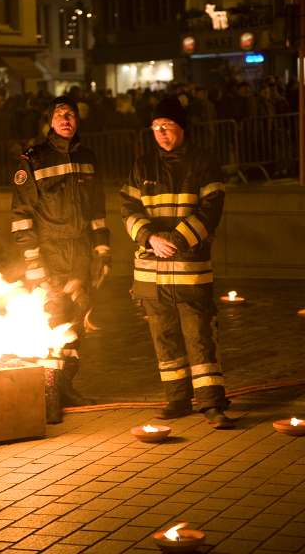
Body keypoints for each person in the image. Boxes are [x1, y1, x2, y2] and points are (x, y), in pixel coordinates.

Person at [120, 96, 233, 429]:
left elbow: (211, 209)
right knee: (164, 337)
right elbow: (128, 209)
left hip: (189, 271)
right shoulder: (141, 166)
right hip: (151, 274)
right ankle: (177, 399)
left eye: (167, 126)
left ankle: (212, 403)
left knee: (199, 335)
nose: (161, 133)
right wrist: (150, 238)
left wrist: (177, 240)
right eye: (155, 128)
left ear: (181, 128)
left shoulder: (203, 163)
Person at [11, 95, 111, 409]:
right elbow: (21, 216)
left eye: (71, 114)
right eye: (59, 115)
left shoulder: (88, 157)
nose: (66, 119)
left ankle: (66, 386)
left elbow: (97, 208)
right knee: (52, 319)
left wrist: (103, 248)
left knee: (77, 321)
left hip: (81, 252)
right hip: (49, 253)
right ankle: (48, 393)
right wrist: (32, 260)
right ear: (49, 122)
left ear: (77, 121)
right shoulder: (33, 159)